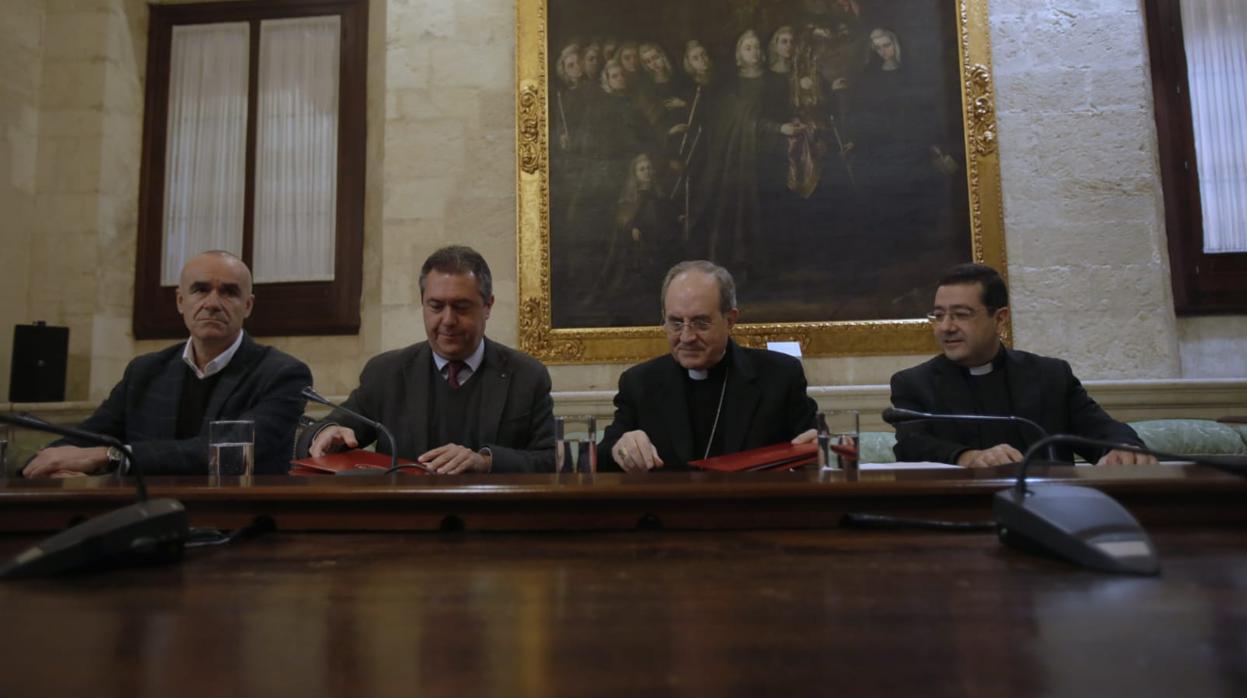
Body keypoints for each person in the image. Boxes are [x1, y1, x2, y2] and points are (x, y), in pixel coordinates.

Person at [22, 250, 311, 477]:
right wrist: (46, 465)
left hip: (237, 524)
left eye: (229, 292)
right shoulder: (144, 371)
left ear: (247, 306)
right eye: (200, 290)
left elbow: (219, 453)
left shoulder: (282, 375)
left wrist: (110, 456)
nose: (212, 302)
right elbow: (86, 437)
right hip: (144, 520)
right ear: (180, 301)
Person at [301, 246, 555, 474]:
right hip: (408, 520)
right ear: (422, 304)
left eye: (461, 307)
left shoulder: (526, 376)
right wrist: (324, 434)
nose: (447, 320)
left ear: (488, 306)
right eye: (436, 306)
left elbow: (552, 461)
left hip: (495, 519)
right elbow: (320, 434)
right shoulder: (386, 373)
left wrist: (486, 462)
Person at [889, 263, 1156, 468]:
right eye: (938, 316)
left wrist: (1123, 447)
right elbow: (913, 446)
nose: (946, 327)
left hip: (1051, 510)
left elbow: (1099, 428)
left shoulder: (1049, 376)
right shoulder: (914, 383)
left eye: (961, 315)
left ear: (1000, 318)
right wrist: (968, 457)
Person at [598, 260, 818, 472]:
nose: (687, 336)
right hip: (669, 510)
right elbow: (604, 456)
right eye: (675, 322)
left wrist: (820, 450)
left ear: (730, 320)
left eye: (700, 323)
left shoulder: (780, 377)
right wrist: (621, 449)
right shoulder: (640, 383)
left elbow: (814, 446)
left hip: (751, 508)